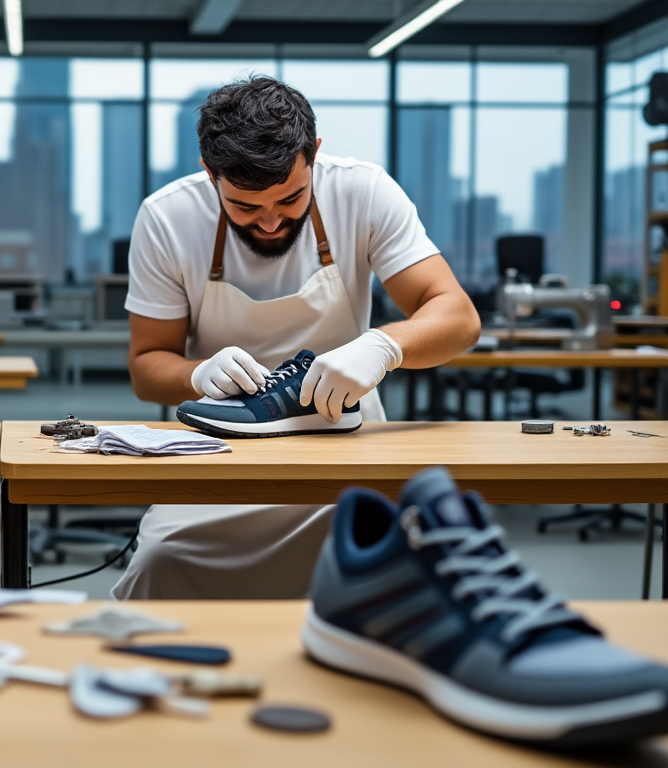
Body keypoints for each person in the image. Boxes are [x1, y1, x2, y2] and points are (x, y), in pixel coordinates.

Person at [114, 75, 480, 600]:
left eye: (290, 199)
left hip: (344, 441)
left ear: (315, 156)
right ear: (209, 173)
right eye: (244, 207)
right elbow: (147, 366)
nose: (268, 222)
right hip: (219, 450)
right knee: (161, 561)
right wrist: (196, 374)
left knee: (395, 573)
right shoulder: (168, 218)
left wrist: (383, 346)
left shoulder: (362, 191)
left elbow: (458, 316)